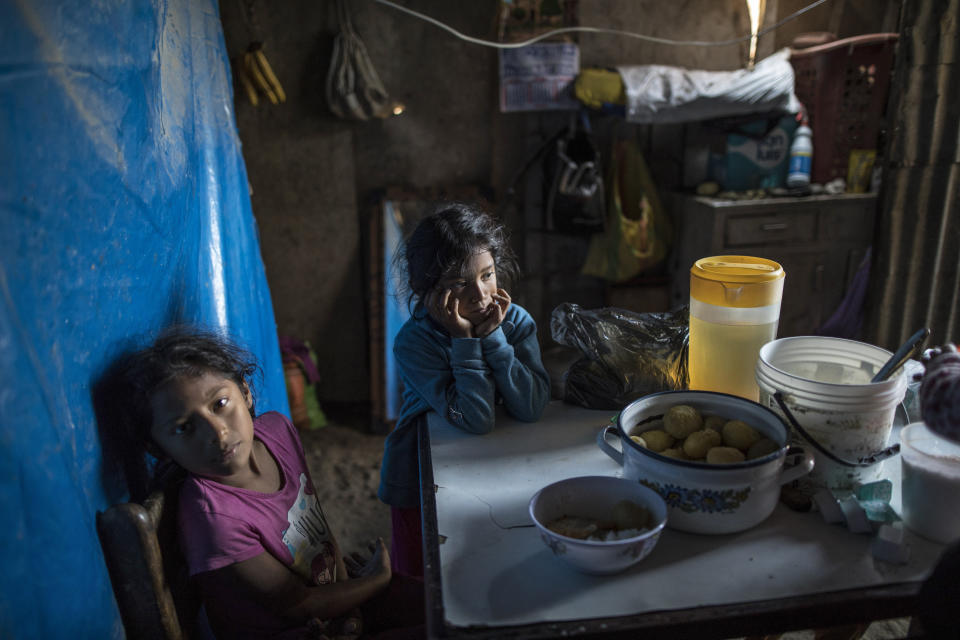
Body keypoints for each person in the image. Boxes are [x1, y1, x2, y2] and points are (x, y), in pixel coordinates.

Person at [114, 328, 423, 639]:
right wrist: (376, 581)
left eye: (220, 403)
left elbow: (318, 527)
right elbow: (296, 605)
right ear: (158, 449)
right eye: (183, 428)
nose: (217, 433)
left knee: (442, 606)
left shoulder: (278, 432)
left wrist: (348, 600)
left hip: (328, 604)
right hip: (293, 627)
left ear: (245, 392)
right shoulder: (213, 516)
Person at [378, 202, 551, 577]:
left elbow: (533, 406)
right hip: (420, 479)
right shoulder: (415, 342)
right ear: (428, 290)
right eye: (458, 284)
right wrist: (465, 340)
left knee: (482, 567)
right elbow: (476, 420)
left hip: (489, 465)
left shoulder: (514, 321)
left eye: (487, 275)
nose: (480, 295)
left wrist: (495, 339)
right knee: (421, 580)